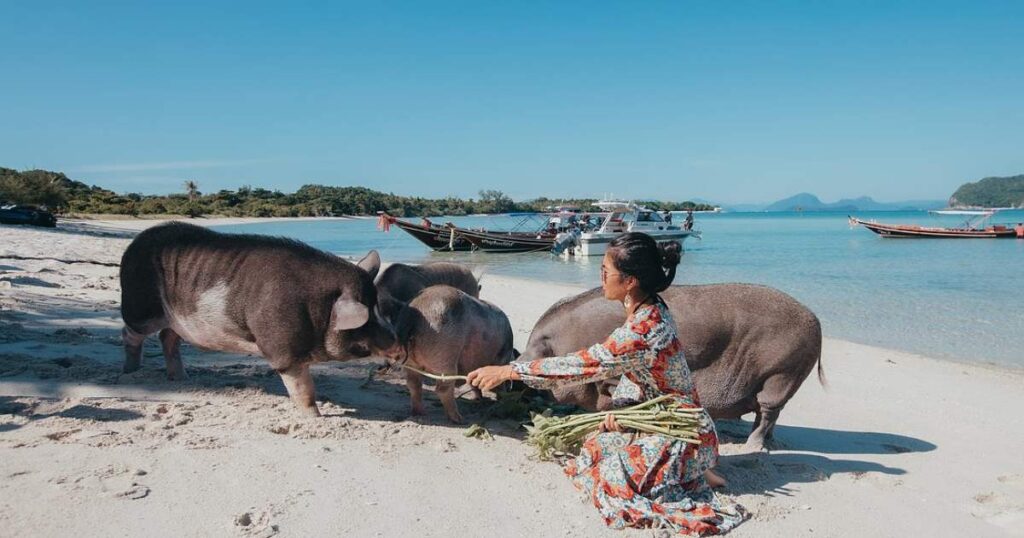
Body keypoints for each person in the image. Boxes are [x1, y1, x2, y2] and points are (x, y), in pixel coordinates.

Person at [468, 233, 745, 535]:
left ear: (630, 282)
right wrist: (626, 415)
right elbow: (642, 376)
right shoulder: (647, 305)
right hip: (659, 419)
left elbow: (583, 366)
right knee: (593, 449)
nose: (599, 277)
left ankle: (696, 470)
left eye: (605, 272)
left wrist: (509, 371)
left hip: (685, 432)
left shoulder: (643, 330)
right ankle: (691, 469)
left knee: (613, 483)